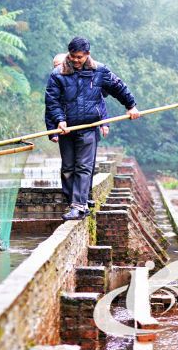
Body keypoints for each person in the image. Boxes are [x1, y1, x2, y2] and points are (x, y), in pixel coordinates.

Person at [45, 37, 140, 220]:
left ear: (87, 54)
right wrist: (59, 120)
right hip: (66, 129)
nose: (76, 60)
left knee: (83, 167)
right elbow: (52, 101)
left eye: (80, 57)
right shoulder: (58, 74)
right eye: (73, 56)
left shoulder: (99, 71)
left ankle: (79, 205)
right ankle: (74, 202)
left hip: (89, 127)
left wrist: (131, 105)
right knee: (67, 169)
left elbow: (118, 87)